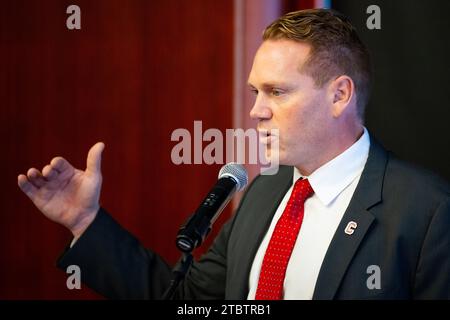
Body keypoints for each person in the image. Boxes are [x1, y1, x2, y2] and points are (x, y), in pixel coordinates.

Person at [17, 9, 449, 300]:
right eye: (255, 92)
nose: (257, 111)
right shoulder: (265, 192)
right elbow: (185, 300)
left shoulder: (428, 212)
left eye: (276, 92)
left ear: (339, 95)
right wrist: (84, 221)